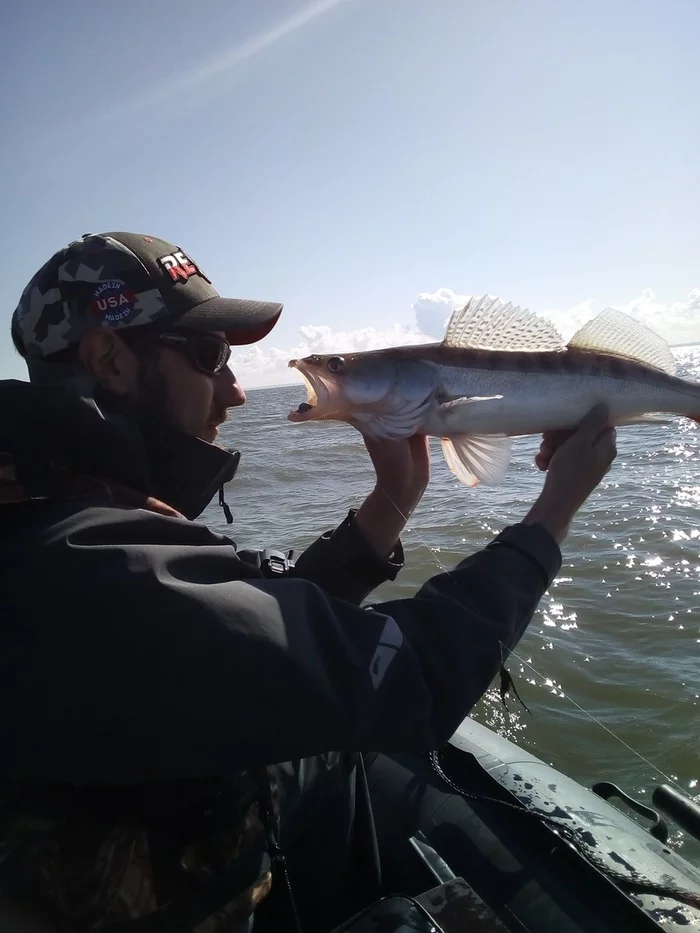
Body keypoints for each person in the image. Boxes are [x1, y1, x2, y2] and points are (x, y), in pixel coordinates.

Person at [0, 231, 617, 933]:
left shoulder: (62, 508)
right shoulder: (95, 564)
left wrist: (393, 500)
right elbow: (407, 674)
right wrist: (553, 512)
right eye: (209, 355)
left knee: (330, 751)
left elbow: (253, 617)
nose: (234, 388)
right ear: (109, 359)